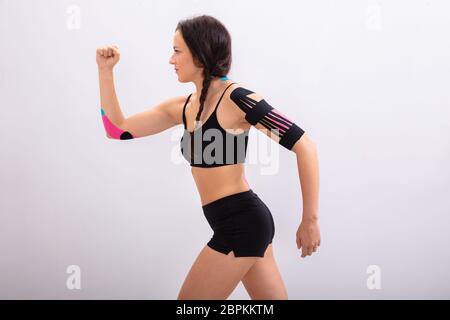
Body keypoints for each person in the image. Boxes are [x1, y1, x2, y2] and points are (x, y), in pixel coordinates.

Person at [96, 14, 320, 300]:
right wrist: (105, 71)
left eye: (177, 51)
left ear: (200, 56)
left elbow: (305, 145)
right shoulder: (183, 107)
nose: (170, 60)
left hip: (242, 224)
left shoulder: (239, 99)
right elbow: (118, 130)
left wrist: (309, 220)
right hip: (238, 223)